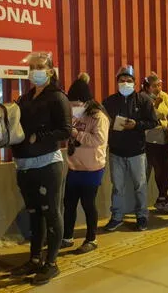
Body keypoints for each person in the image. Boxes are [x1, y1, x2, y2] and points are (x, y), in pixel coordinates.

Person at [10, 52, 72, 285]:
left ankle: (51, 263)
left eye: (40, 67)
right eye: (32, 67)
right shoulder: (25, 99)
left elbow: (66, 130)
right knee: (34, 213)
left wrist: (41, 136)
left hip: (48, 163)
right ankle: (35, 258)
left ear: (50, 71)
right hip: (24, 164)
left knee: (51, 212)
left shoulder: (57, 97)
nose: (35, 70)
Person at [103, 65, 158, 232]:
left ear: (134, 83)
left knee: (140, 185)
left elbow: (153, 122)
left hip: (137, 151)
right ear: (117, 82)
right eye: (122, 80)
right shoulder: (109, 102)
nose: (125, 83)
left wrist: (136, 125)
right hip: (116, 152)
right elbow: (103, 122)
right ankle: (117, 217)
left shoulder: (143, 100)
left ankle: (141, 216)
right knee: (117, 186)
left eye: (128, 80)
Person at [62, 73, 109, 254]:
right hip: (74, 166)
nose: (73, 107)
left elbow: (98, 139)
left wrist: (76, 134)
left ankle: (91, 239)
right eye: (70, 104)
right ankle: (67, 237)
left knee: (88, 203)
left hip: (92, 168)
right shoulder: (74, 115)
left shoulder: (98, 117)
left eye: (75, 104)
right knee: (69, 203)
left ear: (85, 102)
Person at [142, 72, 168, 213]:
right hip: (150, 137)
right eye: (154, 86)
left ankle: (162, 197)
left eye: (159, 85)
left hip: (164, 135)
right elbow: (147, 116)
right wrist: (154, 105)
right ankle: (162, 199)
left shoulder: (164, 96)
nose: (158, 88)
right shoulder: (143, 98)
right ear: (147, 87)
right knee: (158, 167)